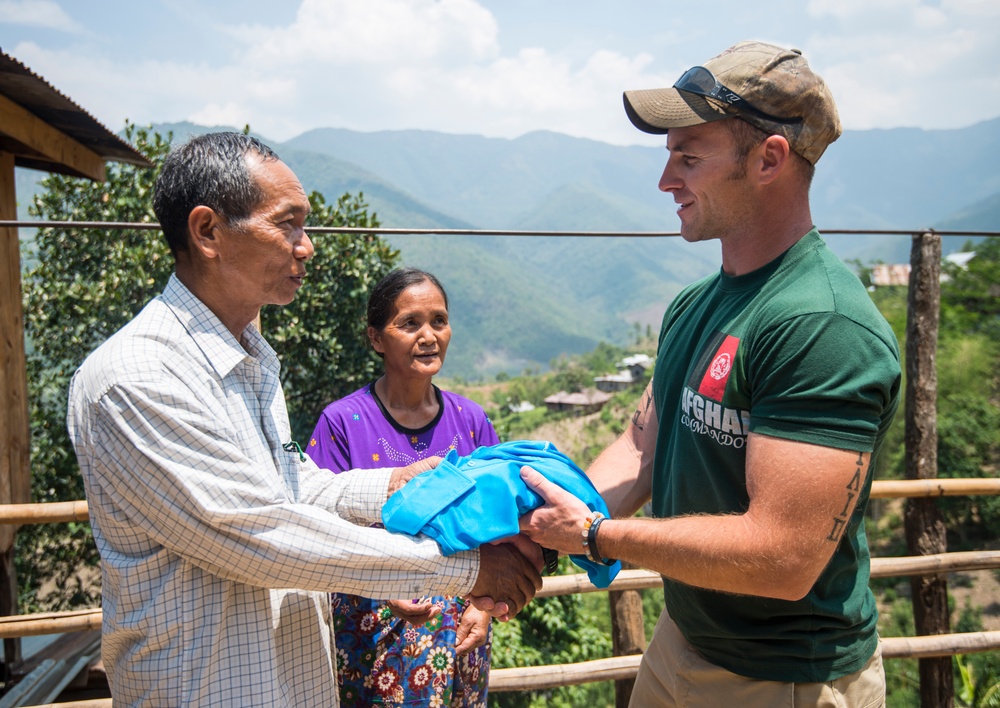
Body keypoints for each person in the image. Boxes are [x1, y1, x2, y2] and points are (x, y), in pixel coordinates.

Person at [67, 132, 542, 707]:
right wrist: (462, 570)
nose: (307, 246)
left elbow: (292, 487)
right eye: (287, 224)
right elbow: (257, 535)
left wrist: (395, 481)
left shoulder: (252, 360)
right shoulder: (139, 376)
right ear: (208, 231)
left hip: (290, 683)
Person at [518, 41, 902, 706]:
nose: (666, 181)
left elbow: (781, 556)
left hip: (784, 676)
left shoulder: (822, 325)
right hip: (684, 640)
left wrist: (594, 535)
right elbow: (642, 447)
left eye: (688, 157)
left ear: (768, 160)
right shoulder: (698, 305)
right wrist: (529, 528)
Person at [308, 267, 499, 707]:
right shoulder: (342, 423)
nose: (428, 335)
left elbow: (498, 524)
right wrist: (382, 583)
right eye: (409, 323)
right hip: (371, 636)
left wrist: (482, 607)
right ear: (376, 338)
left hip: (460, 631)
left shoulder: (471, 421)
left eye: (438, 320)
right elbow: (317, 527)